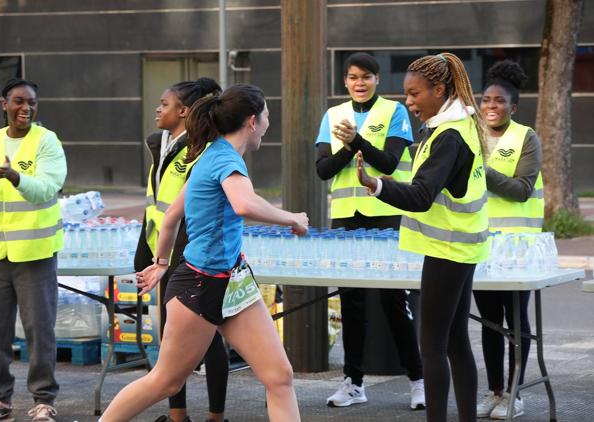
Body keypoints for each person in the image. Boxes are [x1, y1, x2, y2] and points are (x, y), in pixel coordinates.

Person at [100, 84, 308, 422]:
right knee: (165, 382)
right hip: (199, 284)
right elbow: (243, 204)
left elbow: (171, 218)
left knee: (279, 377)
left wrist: (162, 263)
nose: (270, 123)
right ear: (252, 121)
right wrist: (293, 218)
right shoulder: (224, 158)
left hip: (233, 282)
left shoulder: (211, 154)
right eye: (268, 115)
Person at [357, 52, 490, 422]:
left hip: (449, 247)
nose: (408, 102)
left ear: (439, 89)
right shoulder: (457, 125)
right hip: (461, 245)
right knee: (456, 341)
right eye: (406, 94)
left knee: (431, 345)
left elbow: (419, 196)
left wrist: (376, 185)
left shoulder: (449, 135)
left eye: (415, 94)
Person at [315, 51, 425, 410]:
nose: (359, 83)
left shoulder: (394, 111)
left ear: (377, 79)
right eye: (352, 77)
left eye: (366, 76)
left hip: (388, 213)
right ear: (344, 82)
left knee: (395, 301)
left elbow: (390, 161)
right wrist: (351, 147)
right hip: (347, 217)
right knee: (351, 302)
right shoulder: (333, 116)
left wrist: (357, 141)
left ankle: (417, 380)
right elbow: (323, 169)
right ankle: (353, 383)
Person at [0, 78, 67, 422]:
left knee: (39, 329)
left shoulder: (46, 141)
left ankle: (44, 399)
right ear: (3, 104)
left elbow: (48, 188)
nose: (26, 108)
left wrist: (15, 177)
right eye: (19, 101)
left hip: (35, 251)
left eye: (31, 102)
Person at [134, 77, 230, 422]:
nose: (158, 109)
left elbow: (195, 210)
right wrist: (145, 251)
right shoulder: (159, 144)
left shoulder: (203, 147)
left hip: (191, 258)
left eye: (165, 104)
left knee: (208, 340)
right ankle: (178, 417)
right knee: (169, 341)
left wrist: (174, 259)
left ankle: (216, 417)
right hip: (163, 255)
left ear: (184, 111)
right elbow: (155, 205)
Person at [473, 60, 543, 420]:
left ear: (513, 107)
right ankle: (495, 391)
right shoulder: (471, 137)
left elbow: (522, 189)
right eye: (485, 100)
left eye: (498, 101)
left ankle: (515, 393)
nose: (490, 106)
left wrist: (483, 173)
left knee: (515, 320)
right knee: (488, 322)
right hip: (481, 244)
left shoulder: (525, 137)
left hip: (517, 247)